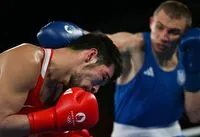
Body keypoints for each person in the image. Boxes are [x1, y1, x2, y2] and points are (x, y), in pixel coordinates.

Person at [37, 1, 200, 137]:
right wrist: (77, 35)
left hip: (171, 131)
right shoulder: (135, 46)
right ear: (151, 22)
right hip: (129, 133)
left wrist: (194, 72)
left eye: (173, 32)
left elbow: (194, 115)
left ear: (185, 34)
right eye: (159, 27)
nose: (163, 36)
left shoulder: (189, 58)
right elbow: (105, 42)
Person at [0, 30, 122, 137]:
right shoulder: (26, 59)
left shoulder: (63, 88)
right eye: (102, 77)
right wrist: (54, 119)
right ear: (90, 56)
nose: (96, 89)